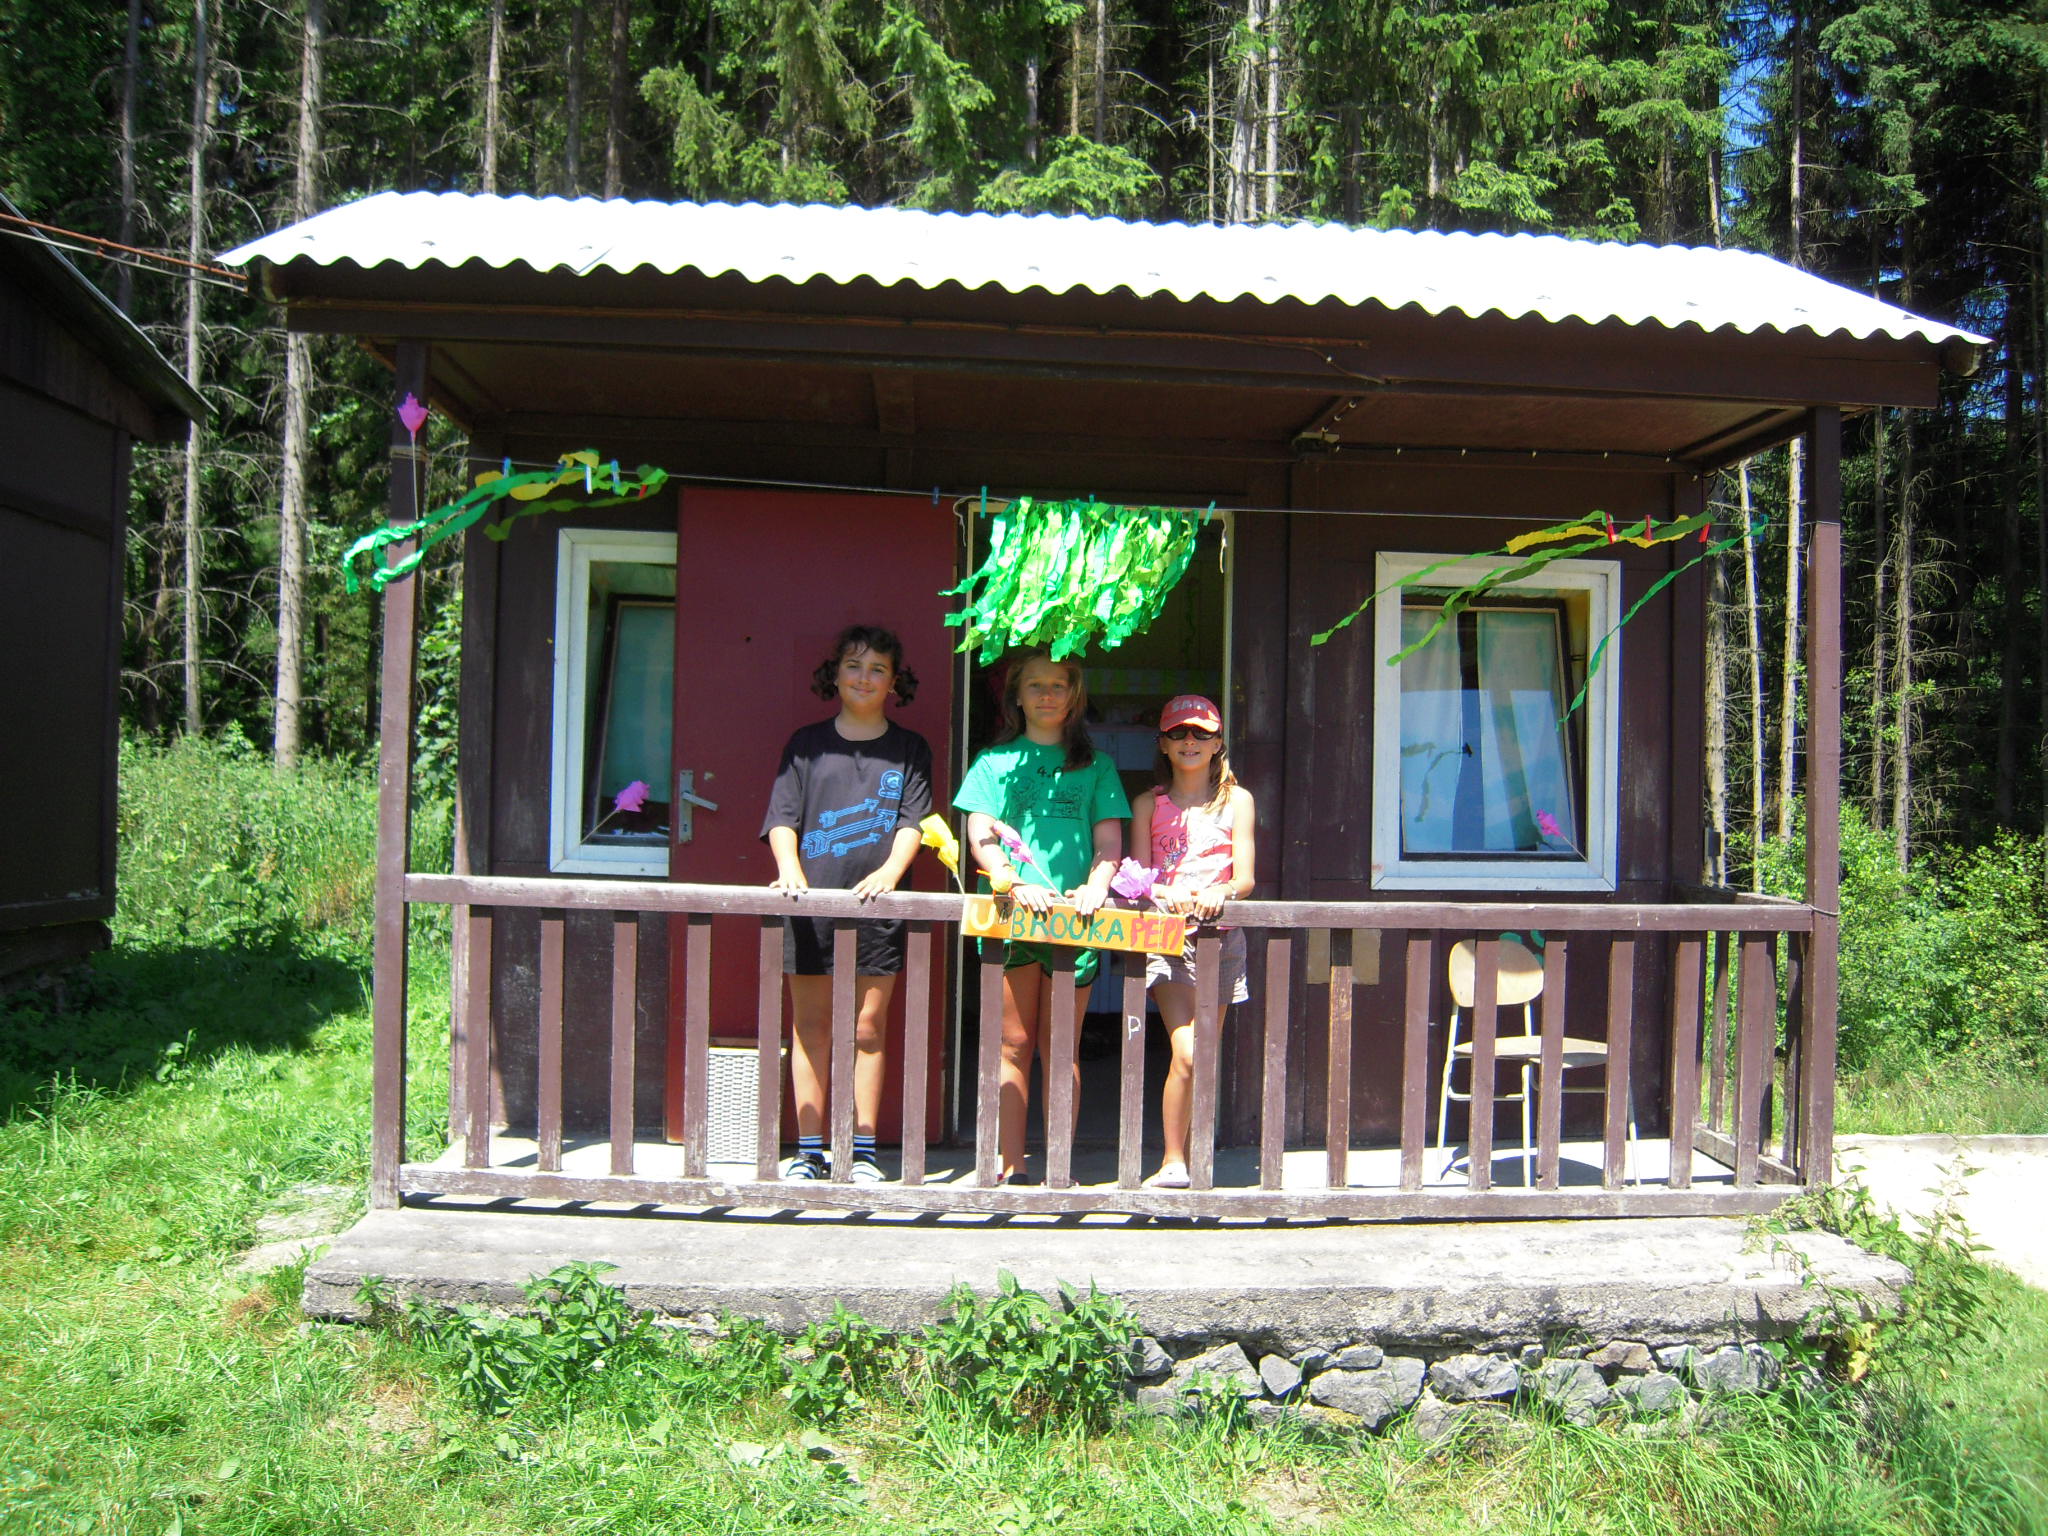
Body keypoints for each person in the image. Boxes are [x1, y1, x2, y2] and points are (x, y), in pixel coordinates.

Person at [762, 625, 934, 1183]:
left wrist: (889, 873)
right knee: (810, 1027)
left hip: (877, 908)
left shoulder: (910, 749)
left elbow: (913, 823)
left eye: (878, 668)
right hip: (809, 906)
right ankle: (809, 1151)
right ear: (834, 674)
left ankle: (862, 1152)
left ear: (894, 682)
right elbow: (782, 819)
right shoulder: (805, 744)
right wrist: (790, 869)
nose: (865, 677)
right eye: (854, 665)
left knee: (867, 1030)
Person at [954, 650, 1128, 1185]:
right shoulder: (993, 762)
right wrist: (1010, 878)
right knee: (1012, 1044)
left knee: (1061, 1048)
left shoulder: (1097, 765)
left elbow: (1108, 841)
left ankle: (1058, 1167)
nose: (1047, 694)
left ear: (1074, 695)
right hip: (1011, 918)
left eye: (1058, 685)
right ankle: (1012, 1165)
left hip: (1074, 923)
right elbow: (980, 832)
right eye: (1035, 685)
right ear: (1017, 696)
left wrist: (1096, 886)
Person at [1128, 694, 1256, 1189]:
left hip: (1220, 940)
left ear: (1218, 742)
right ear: (1162, 743)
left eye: (1201, 733)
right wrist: (1168, 893)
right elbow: (1137, 878)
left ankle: (1193, 1159)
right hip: (1165, 938)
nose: (1190, 741)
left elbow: (1244, 878)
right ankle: (1172, 1160)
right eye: (1178, 733)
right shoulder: (1147, 804)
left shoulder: (1238, 801)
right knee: (1186, 1051)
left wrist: (1222, 891)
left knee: (1202, 1054)